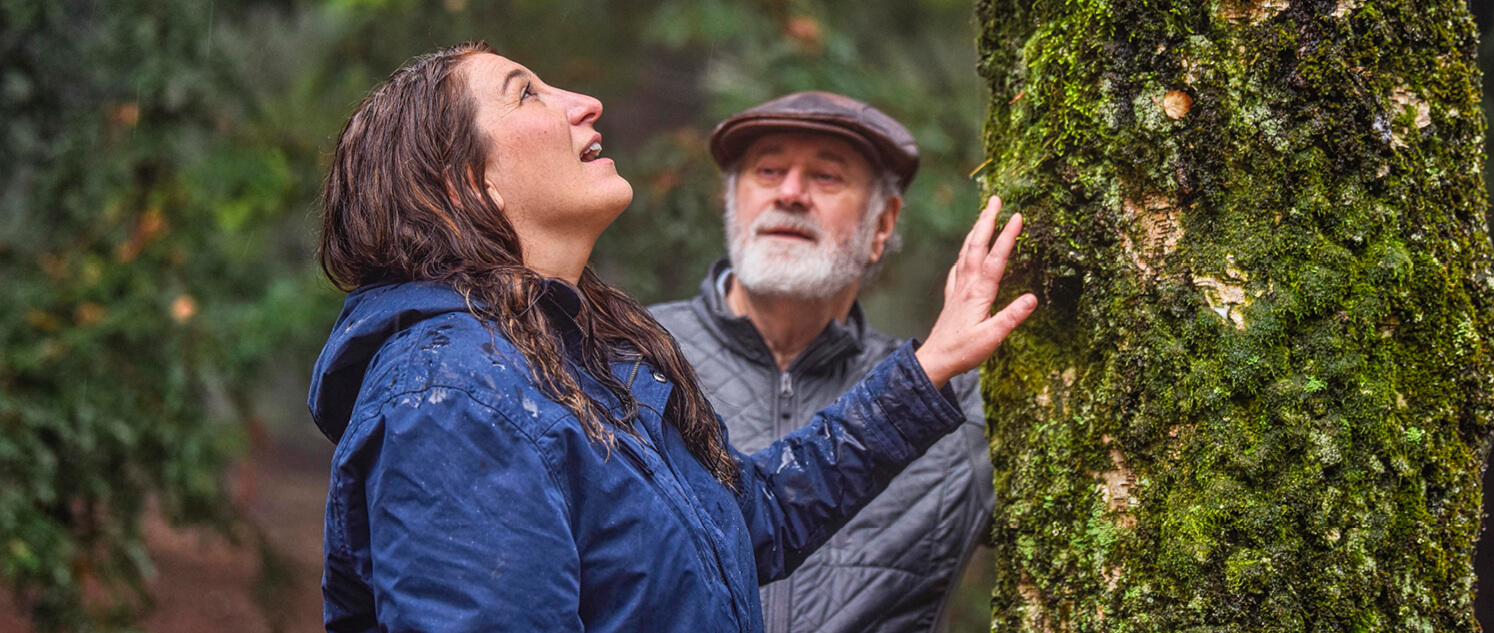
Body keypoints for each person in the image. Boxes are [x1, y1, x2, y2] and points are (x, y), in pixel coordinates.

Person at [306, 42, 1035, 633]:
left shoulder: (589, 359)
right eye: (526, 92)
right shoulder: (451, 397)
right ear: (468, 186)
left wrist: (931, 366)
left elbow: (748, 522)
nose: (585, 104)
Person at [650, 92, 991, 633]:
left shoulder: (956, 401)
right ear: (731, 202)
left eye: (827, 177)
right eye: (767, 170)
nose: (790, 193)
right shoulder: (628, 363)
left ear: (884, 223)